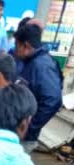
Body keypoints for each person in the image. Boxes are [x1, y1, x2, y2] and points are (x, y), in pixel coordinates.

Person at [13, 23, 63, 153]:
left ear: (26, 46)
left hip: (23, 136)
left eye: (16, 45)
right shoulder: (30, 61)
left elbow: (53, 100)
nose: (15, 49)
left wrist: (29, 127)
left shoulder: (41, 65)